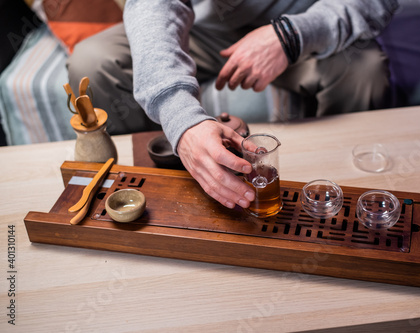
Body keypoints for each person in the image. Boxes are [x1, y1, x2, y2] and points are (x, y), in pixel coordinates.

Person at [67, 0, 399, 210]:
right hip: (203, 29)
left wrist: (291, 36)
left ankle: (334, 197)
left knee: (366, 70)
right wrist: (181, 120)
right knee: (93, 61)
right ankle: (155, 182)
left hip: (307, 22)